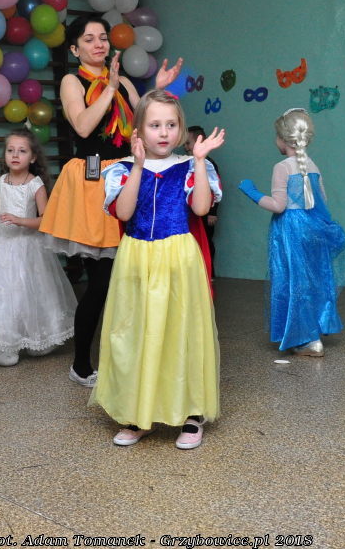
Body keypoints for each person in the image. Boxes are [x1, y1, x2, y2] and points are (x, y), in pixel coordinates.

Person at [38, 16, 181, 387]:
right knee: (101, 281)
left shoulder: (126, 82)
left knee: (133, 277)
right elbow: (83, 126)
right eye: (88, 39)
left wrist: (158, 91)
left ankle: (131, 358)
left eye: (102, 37)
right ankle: (81, 364)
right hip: (93, 184)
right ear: (75, 49)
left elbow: (147, 127)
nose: (98, 44)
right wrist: (109, 88)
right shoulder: (73, 81)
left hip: (129, 178)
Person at [89, 90, 224, 450]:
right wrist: (137, 166)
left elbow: (200, 209)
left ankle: (191, 413)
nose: (164, 132)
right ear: (139, 131)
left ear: (180, 129)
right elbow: (123, 213)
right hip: (137, 258)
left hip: (178, 257)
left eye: (171, 124)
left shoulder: (191, 165)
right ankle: (139, 413)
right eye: (154, 125)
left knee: (182, 331)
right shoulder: (121, 168)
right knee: (135, 333)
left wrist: (199, 162)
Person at [238, 108, 345, 357]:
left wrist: (252, 192)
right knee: (312, 280)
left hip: (290, 231)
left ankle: (304, 339)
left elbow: (279, 206)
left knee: (292, 282)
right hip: (312, 228)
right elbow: (322, 200)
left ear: (282, 139)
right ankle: (314, 332)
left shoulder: (282, 167)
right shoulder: (312, 164)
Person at [0, 130, 76, 366]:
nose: (15, 155)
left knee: (28, 293)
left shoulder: (35, 185)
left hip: (27, 247)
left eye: (22, 151)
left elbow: (45, 220)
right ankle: (6, 341)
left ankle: (37, 337)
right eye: (10, 150)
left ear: (32, 157)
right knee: (4, 293)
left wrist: (21, 220)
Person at [186, 125, 220, 279]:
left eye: (188, 143)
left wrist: (213, 212)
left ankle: (209, 274)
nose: (186, 147)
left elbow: (215, 190)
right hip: (192, 212)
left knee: (206, 241)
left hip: (206, 213)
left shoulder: (209, 164)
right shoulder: (187, 163)